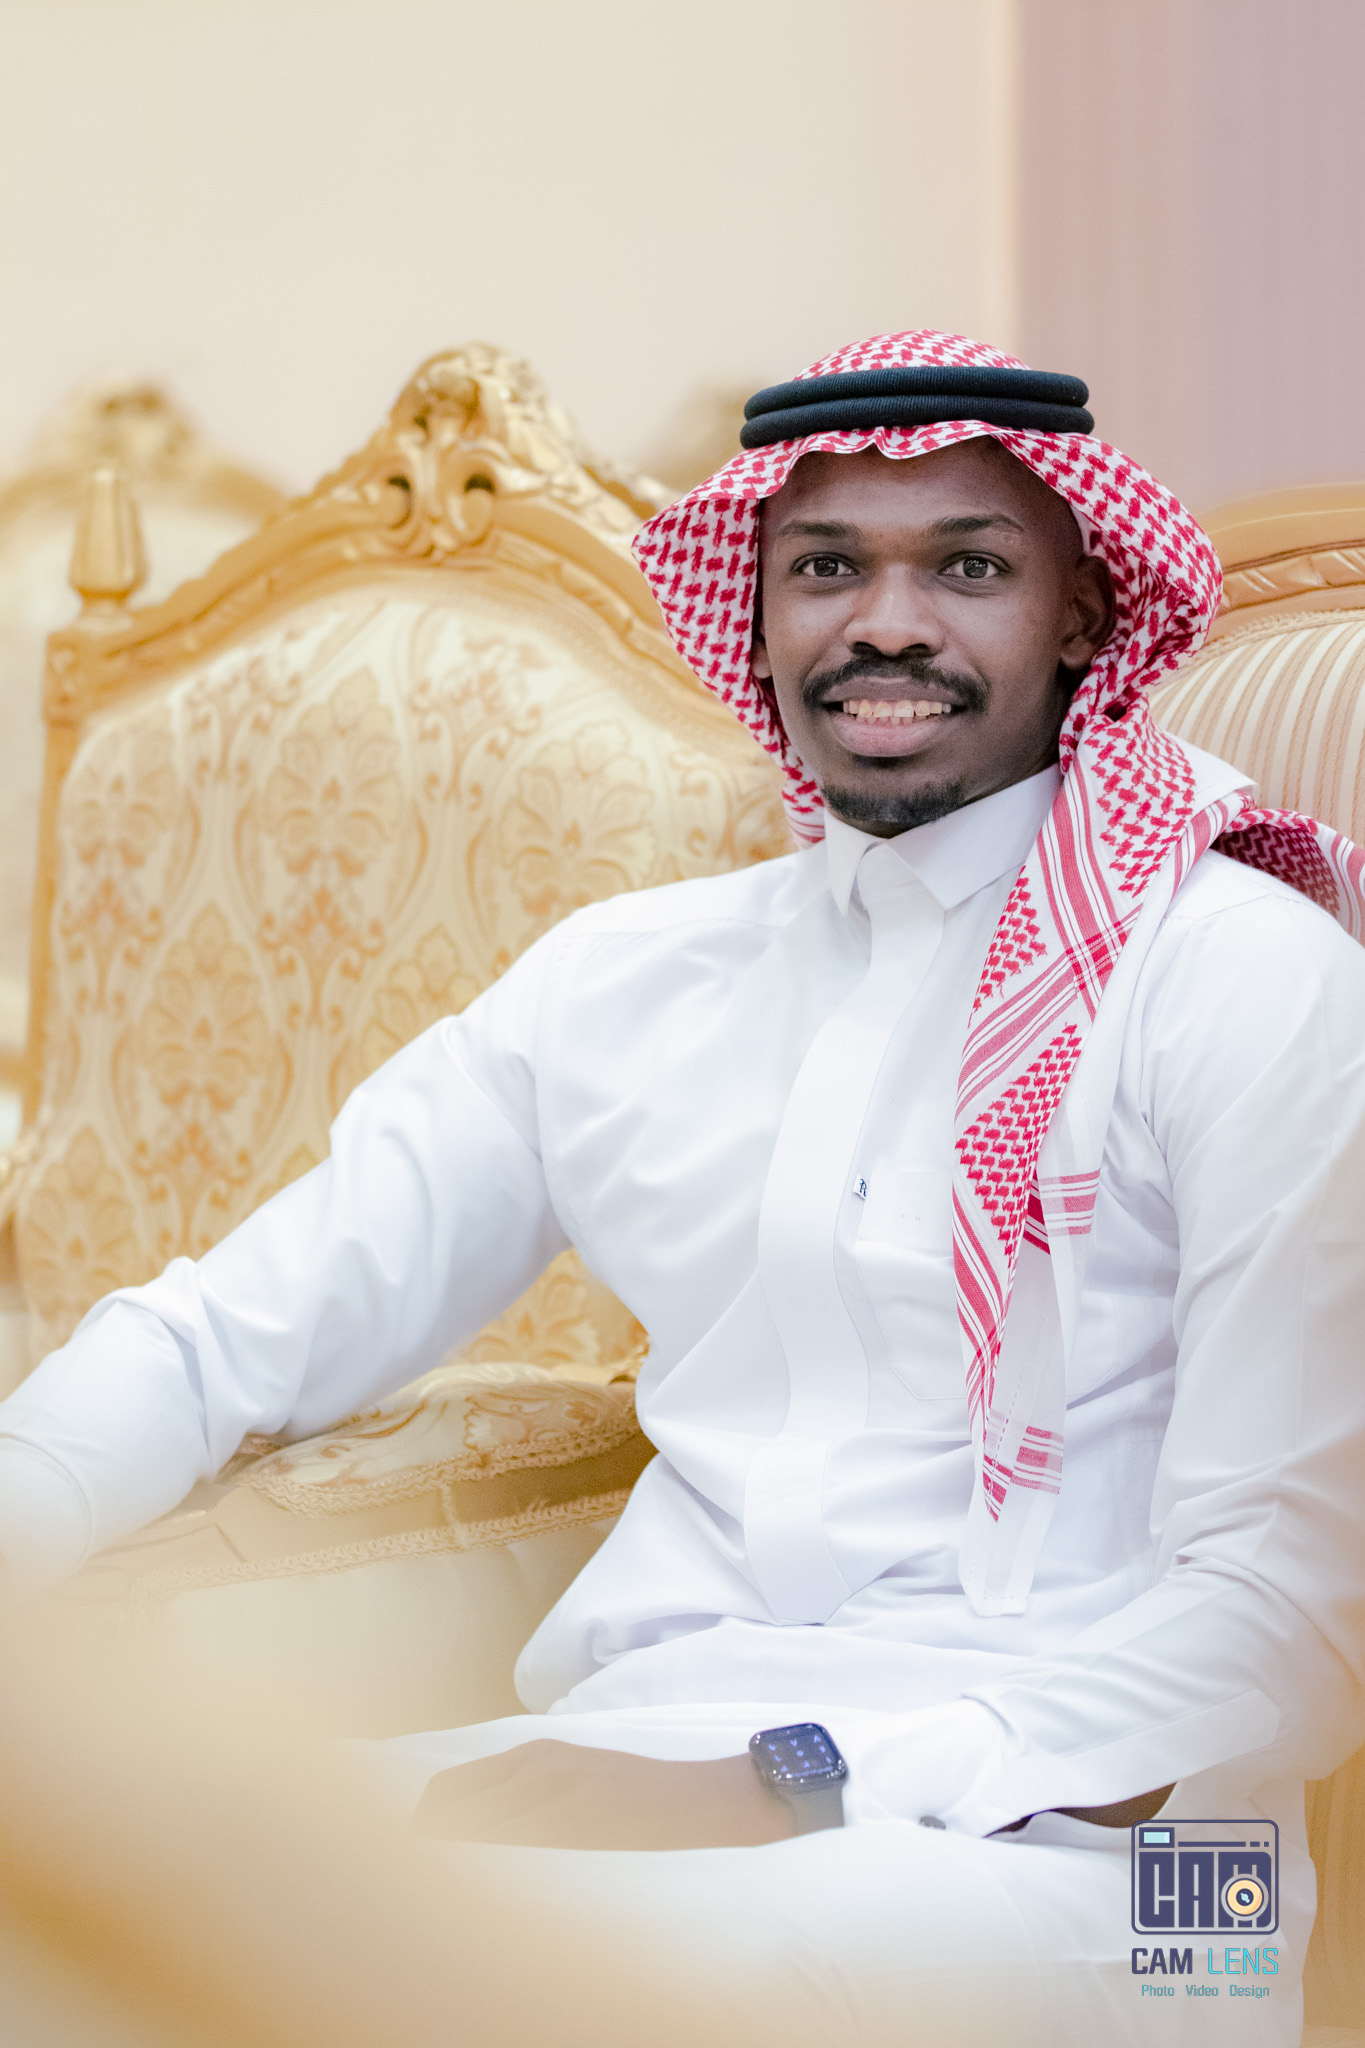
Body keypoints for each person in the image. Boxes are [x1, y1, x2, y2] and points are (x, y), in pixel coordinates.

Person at [3, 331, 1364, 2047]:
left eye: (965, 567)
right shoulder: (626, 982)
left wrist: (786, 1779)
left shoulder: (1239, 979)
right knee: (103, 1921)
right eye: (826, 568)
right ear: (758, 609)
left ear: (1084, 613)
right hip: (625, 1766)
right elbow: (222, 1337)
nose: (885, 623)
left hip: (1129, 1862)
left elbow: (1290, 1615)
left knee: (497, 1991)